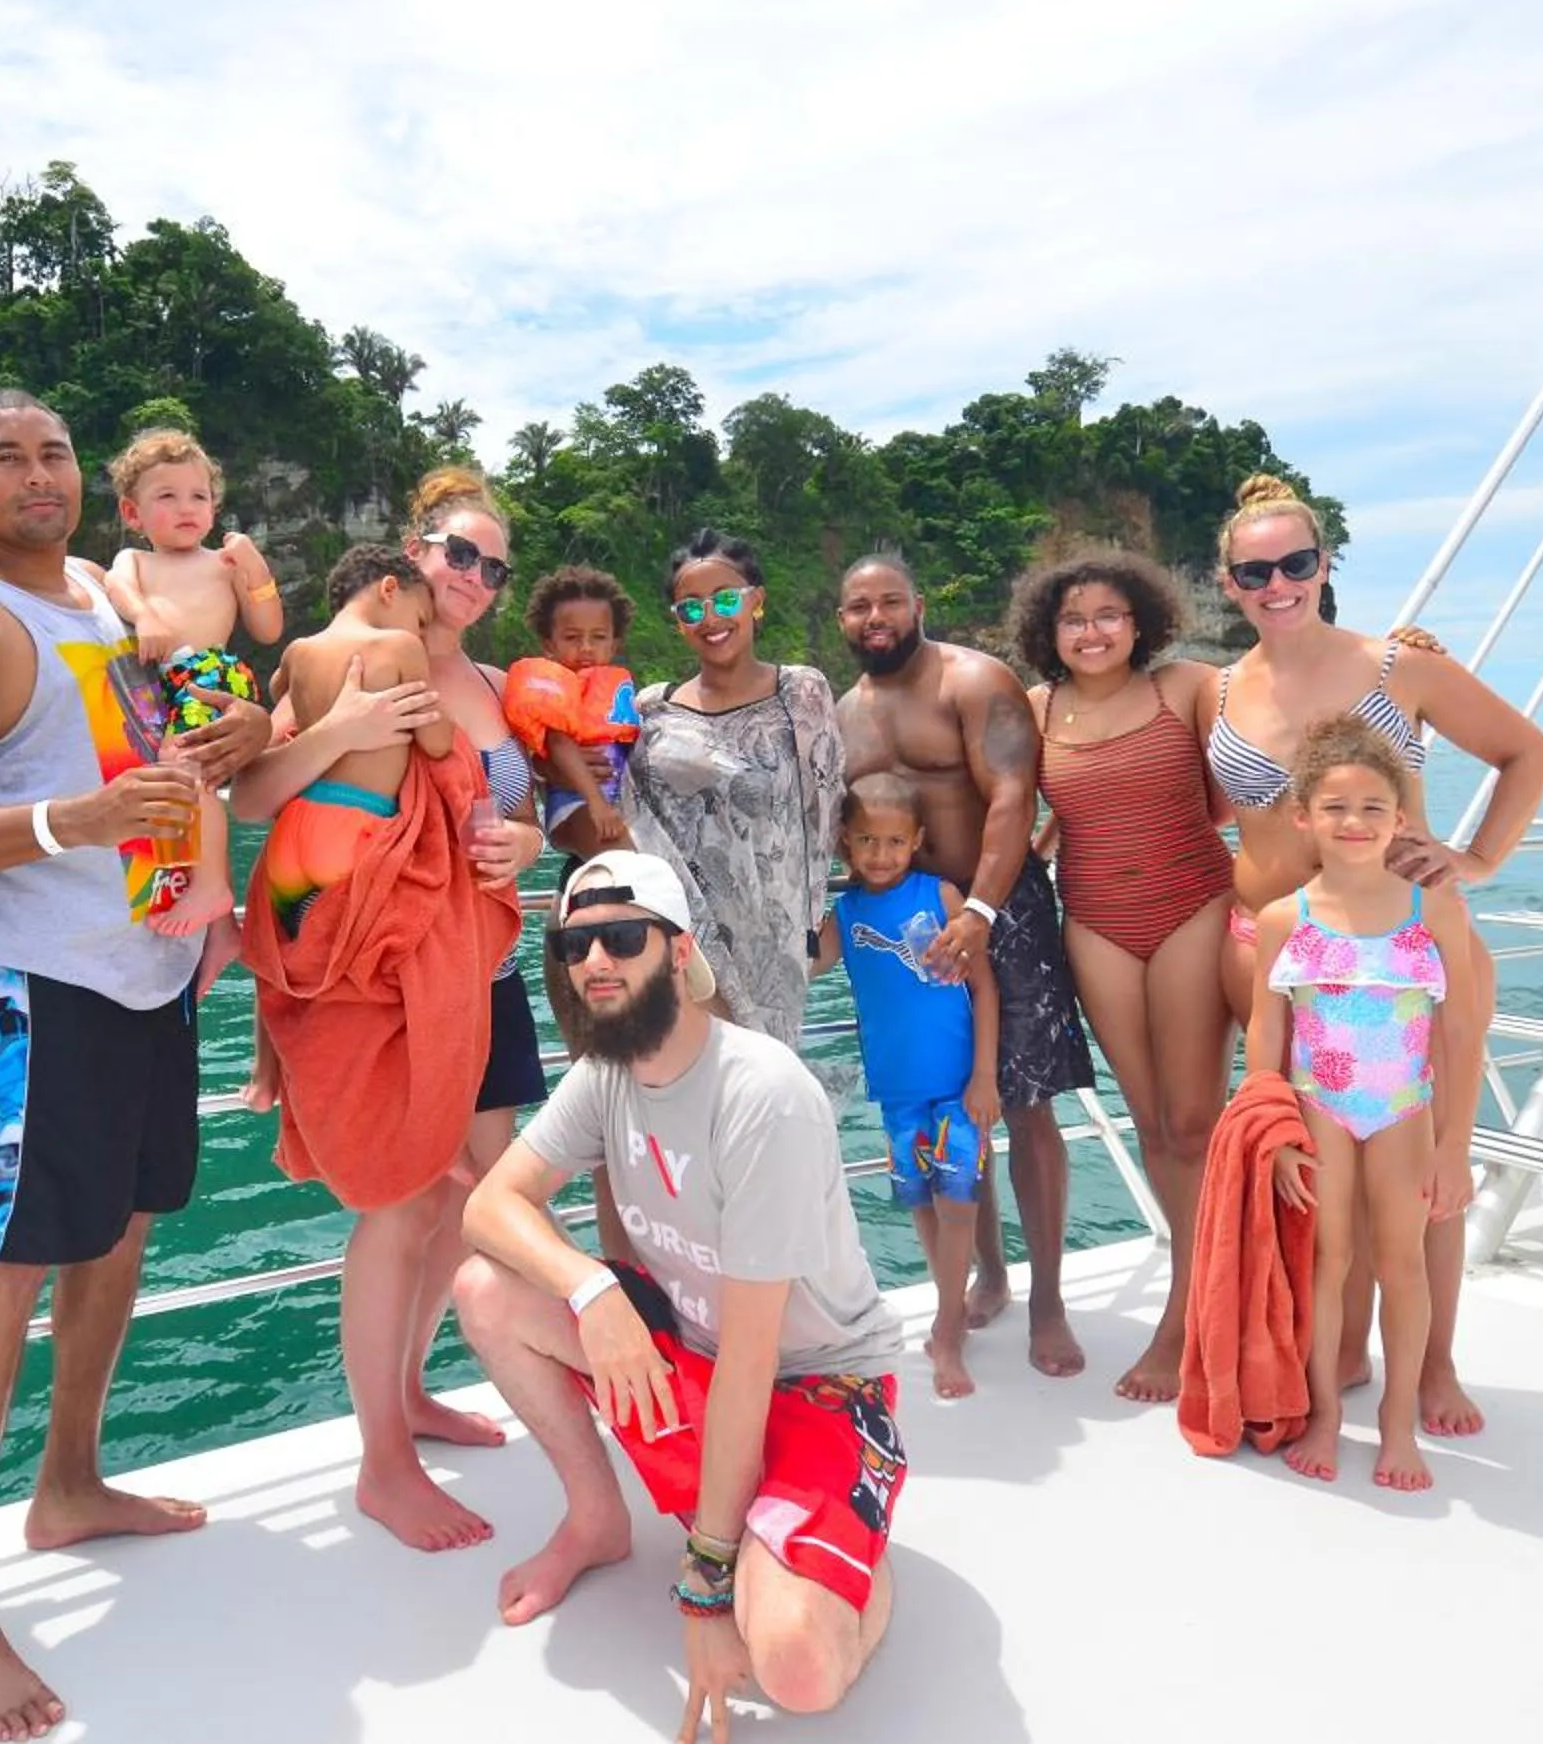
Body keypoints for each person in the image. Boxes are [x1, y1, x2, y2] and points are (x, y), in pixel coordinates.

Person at [0, 390, 273, 1740]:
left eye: (54, 454)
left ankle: (73, 1480)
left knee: (125, 1222)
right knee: (8, 1253)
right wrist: (67, 819)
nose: (37, 475)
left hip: (149, 963)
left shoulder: (100, 589)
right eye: (5, 456)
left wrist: (244, 730)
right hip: (30, 980)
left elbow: (184, 707)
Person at [456, 852, 902, 1737]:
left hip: (819, 1387)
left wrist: (705, 1587)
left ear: (679, 950)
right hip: (701, 1358)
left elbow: (754, 1356)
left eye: (622, 937)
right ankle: (597, 1520)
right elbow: (489, 1205)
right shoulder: (606, 1076)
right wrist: (589, 1289)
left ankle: (847, 1552)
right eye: (574, 944)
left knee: (797, 1669)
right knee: (487, 1291)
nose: (594, 962)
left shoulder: (760, 1095)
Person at [228, 467, 551, 1555]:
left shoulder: (501, 686)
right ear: (411, 552)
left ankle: (411, 1392)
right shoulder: (354, 660)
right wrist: (349, 726)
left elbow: (521, 811)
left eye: (491, 565)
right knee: (401, 1199)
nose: (471, 576)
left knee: (470, 1200)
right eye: (456, 552)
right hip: (395, 966)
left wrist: (530, 841)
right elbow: (258, 794)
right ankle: (382, 1460)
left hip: (485, 966)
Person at [1205, 471, 1543, 1436]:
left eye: (1297, 564)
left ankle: (1436, 1366)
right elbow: (1198, 804)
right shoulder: (1217, 687)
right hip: (1280, 949)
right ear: (1227, 582)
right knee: (1322, 1163)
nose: (1277, 583)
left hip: (1409, 951)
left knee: (1430, 1174)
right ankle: (1341, 1354)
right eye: (1254, 570)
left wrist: (1477, 858)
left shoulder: (1400, 666)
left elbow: (1529, 753)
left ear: (1324, 567)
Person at [833, 552, 1097, 1376]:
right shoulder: (843, 714)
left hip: (1001, 910)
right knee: (952, 1105)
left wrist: (980, 909)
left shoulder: (975, 681)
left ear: (919, 603)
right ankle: (988, 1272)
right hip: (910, 927)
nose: (874, 617)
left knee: (1023, 1108)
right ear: (842, 619)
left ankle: (1048, 1301)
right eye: (856, 607)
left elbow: (1014, 795)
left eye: (888, 602)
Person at [1012, 548, 1235, 1403]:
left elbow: (1239, 784)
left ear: (1140, 621)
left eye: (1108, 615)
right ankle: (1206, 1292)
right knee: (1150, 1124)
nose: (1092, 631)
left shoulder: (1190, 688)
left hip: (1192, 906)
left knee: (1193, 1119)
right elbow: (1013, 811)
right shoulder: (1036, 710)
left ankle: (1188, 1317)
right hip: (1095, 922)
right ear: (1051, 634)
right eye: (1074, 619)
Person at [1252, 716, 1481, 1491]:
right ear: (1303, 816)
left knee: (1401, 1263)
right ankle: (1322, 1415)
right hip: (1321, 1109)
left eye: (1373, 808)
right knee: (1327, 1261)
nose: (1354, 823)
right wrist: (1275, 1132)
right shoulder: (1287, 916)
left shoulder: (1432, 910)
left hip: (1403, 1113)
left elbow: (1461, 1031)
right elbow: (1265, 1028)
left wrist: (1454, 1146)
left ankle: (1396, 1424)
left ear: (1400, 819)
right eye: (1336, 808)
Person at [809, 773, 1000, 1400]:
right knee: (922, 1203)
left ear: (916, 840)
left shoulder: (940, 895)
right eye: (867, 840)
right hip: (897, 1092)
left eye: (895, 841)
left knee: (959, 1204)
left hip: (956, 1088)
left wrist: (984, 1077)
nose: (881, 854)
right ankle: (951, 1295)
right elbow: (806, 962)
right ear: (844, 842)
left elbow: (985, 990)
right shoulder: (845, 911)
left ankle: (948, 1328)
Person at [623, 529, 848, 1050]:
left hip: (777, 939)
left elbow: (825, 806)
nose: (712, 619)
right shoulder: (650, 712)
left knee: (760, 1093)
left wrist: (812, 924)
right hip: (683, 941)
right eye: (691, 608)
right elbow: (632, 822)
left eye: (726, 599)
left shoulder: (801, 692)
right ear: (677, 622)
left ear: (756, 602)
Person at [99, 426, 281, 940]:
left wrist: (254, 567)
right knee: (170, 778)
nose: (187, 507)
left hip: (207, 677)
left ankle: (212, 885)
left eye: (198, 496)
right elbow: (117, 586)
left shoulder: (221, 566)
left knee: (185, 771)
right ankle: (183, 877)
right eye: (167, 496)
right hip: (160, 686)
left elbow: (267, 628)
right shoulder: (134, 560)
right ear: (132, 513)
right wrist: (145, 615)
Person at [255, 544, 452, 928]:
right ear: (389, 589)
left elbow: (279, 690)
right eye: (422, 619)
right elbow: (437, 742)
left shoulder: (300, 651)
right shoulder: (400, 647)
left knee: (312, 961)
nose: (423, 634)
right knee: (367, 972)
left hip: (291, 837)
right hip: (354, 831)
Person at [504, 565, 641, 866]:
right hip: (577, 807)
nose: (586, 648)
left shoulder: (620, 691)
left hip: (613, 805)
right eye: (572, 637)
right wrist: (597, 804)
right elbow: (559, 744)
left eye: (599, 637)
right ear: (549, 645)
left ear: (614, 643)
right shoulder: (553, 689)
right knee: (628, 865)